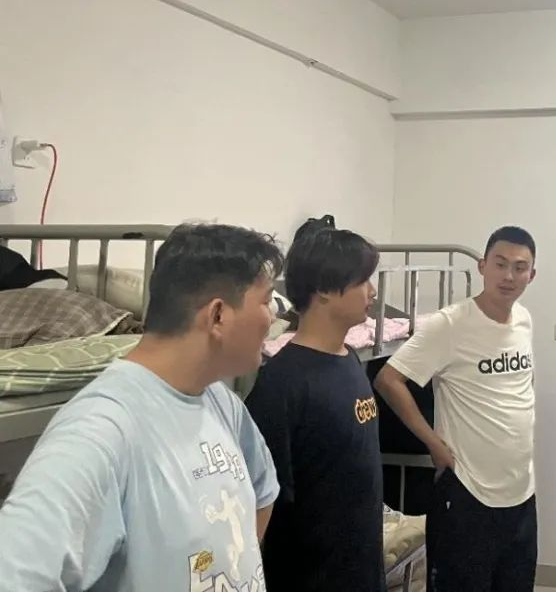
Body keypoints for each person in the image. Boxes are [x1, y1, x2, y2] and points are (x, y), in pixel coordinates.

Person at [0, 223, 283, 591]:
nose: (273, 317)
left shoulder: (221, 400)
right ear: (218, 315)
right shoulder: (101, 430)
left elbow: (262, 491)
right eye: (266, 301)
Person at [374, 226, 539, 592]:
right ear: (482, 266)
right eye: (500, 264)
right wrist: (433, 442)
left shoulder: (524, 320)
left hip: (521, 491)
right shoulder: (450, 323)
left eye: (519, 267)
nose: (509, 276)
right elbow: (388, 379)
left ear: (532, 274)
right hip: (468, 490)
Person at [244, 227, 385, 592]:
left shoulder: (349, 358)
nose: (372, 291)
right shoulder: (282, 384)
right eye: (362, 281)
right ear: (323, 289)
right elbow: (267, 503)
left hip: (362, 570)